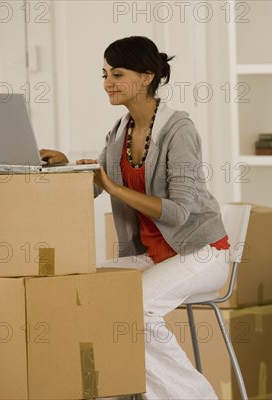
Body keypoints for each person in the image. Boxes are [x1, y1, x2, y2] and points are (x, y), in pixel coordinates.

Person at [39, 36, 229, 400]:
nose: (108, 82)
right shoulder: (119, 134)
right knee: (86, 294)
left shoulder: (178, 130)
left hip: (201, 252)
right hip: (154, 255)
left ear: (146, 77)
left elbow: (179, 211)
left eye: (118, 73)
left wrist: (111, 185)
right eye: (105, 73)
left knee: (134, 312)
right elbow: (94, 188)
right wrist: (66, 168)